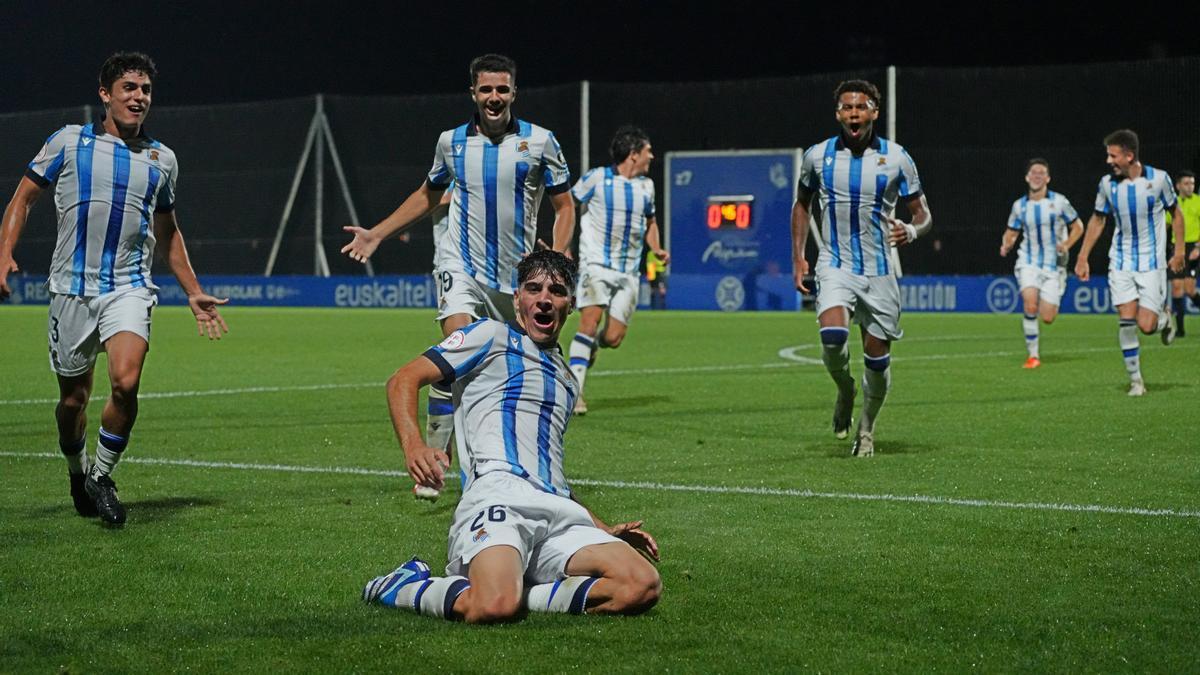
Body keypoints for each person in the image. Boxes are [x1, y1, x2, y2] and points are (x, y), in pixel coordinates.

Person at [362, 250, 661, 623]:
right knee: (492, 606)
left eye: (557, 290)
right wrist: (414, 446)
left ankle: (517, 587)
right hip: (497, 498)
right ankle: (400, 585)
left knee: (641, 584)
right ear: (517, 299)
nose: (545, 299)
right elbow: (403, 380)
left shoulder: (567, 382)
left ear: (569, 305)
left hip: (557, 511)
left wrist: (602, 528)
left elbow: (548, 472)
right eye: (533, 288)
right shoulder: (489, 335)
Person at [0, 52, 228, 525]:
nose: (138, 97)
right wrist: (3, 253)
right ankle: (76, 469)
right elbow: (23, 198)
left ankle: (102, 476)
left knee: (125, 382)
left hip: (129, 287)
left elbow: (168, 232)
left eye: (145, 90)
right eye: (128, 88)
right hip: (71, 290)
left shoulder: (162, 160)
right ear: (105, 94)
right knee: (72, 402)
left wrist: (192, 290)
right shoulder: (68, 141)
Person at [341, 53, 575, 499]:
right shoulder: (450, 142)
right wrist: (377, 234)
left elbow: (565, 207)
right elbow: (427, 195)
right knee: (458, 363)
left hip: (516, 279)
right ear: (473, 93)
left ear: (513, 93)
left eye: (502, 89)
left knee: (518, 370)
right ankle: (442, 464)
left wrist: (558, 256)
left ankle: (513, 459)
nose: (494, 98)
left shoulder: (541, 142)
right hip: (459, 266)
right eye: (486, 89)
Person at [790, 79, 932, 457]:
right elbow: (802, 205)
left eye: (861, 106)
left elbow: (922, 214)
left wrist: (912, 232)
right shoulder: (817, 156)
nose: (854, 113)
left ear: (874, 113)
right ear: (838, 114)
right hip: (835, 266)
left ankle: (866, 428)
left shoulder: (897, 158)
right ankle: (844, 389)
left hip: (880, 272)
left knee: (877, 358)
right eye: (846, 107)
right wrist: (799, 256)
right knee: (833, 338)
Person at [566, 126, 669, 414]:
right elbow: (566, 204)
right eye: (648, 151)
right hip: (595, 263)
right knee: (589, 322)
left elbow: (650, 222)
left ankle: (591, 349)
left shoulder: (646, 187)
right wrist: (562, 242)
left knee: (613, 338)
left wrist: (657, 248)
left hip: (628, 272)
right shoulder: (597, 179)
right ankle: (575, 393)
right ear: (634, 155)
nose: (652, 156)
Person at [1075, 129, 1186, 397]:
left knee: (1146, 326)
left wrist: (1179, 251)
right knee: (1126, 319)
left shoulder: (1159, 179)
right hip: (1121, 261)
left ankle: (1165, 319)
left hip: (1152, 263)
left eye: (1113, 155)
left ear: (1129, 155)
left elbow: (1177, 214)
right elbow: (1098, 219)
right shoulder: (1107, 185)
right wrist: (1082, 256)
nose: (1108, 161)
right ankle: (1136, 382)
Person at [999, 159, 1084, 368]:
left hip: (1054, 266)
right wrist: (1006, 244)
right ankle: (1033, 356)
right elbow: (1011, 231)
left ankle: (1058, 286)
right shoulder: (1019, 206)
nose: (1037, 176)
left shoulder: (1060, 202)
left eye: (1041, 173)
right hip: (1028, 261)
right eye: (1033, 173)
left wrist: (1066, 244)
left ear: (1047, 178)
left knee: (1047, 317)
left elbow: (1079, 227)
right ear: (1027, 178)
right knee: (1030, 303)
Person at [1166, 170, 1200, 336]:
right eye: (1186, 183)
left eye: (1192, 183)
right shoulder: (1173, 203)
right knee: (1176, 289)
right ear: (1178, 185)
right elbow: (1165, 225)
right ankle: (1180, 330)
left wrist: (1198, 248)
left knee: (1190, 290)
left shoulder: (1198, 202)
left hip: (1194, 247)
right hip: (1176, 247)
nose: (1190, 187)